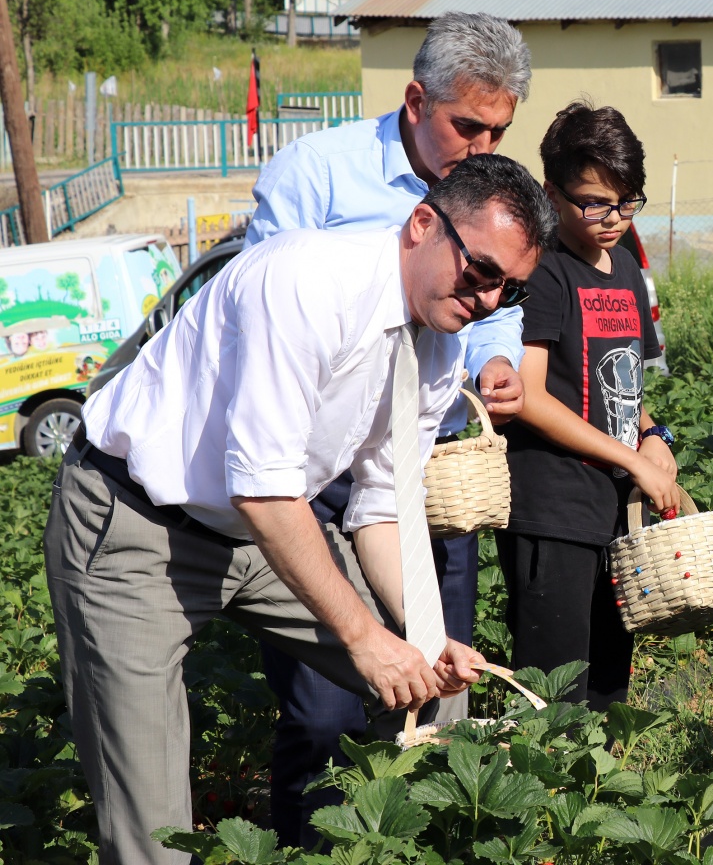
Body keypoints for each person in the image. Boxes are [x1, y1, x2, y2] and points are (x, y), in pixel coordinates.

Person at [43, 154, 554, 864]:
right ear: (422, 225)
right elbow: (262, 488)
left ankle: (376, 846)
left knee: (437, 687)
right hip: (140, 528)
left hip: (263, 533)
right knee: (153, 829)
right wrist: (366, 641)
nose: (489, 300)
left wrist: (421, 634)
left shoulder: (440, 343)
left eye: (511, 288)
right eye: (480, 272)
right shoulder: (306, 283)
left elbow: (379, 507)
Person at [244, 12, 534, 845]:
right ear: (415, 100)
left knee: (442, 669)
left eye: (499, 130)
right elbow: (266, 311)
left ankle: (430, 832)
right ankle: (315, 842)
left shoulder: (488, 191)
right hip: (311, 476)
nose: (482, 147)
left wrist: (496, 361)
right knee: (326, 704)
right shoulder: (318, 175)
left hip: (425, 467)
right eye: (466, 126)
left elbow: (488, 306)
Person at [496, 103, 680, 710]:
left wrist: (656, 440)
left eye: (627, 202)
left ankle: (592, 803)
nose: (613, 219)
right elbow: (529, 395)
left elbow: (626, 391)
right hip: (552, 508)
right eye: (594, 202)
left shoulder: (624, 266)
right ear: (551, 191)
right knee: (554, 698)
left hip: (612, 509)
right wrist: (631, 460)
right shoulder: (545, 268)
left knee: (608, 688)